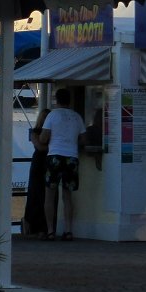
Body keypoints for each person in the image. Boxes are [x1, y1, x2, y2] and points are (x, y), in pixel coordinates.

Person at [41, 87, 86, 241]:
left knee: (49, 195)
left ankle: (50, 230)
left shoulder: (52, 115)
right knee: (67, 196)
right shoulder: (77, 117)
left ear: (56, 100)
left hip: (54, 156)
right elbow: (83, 139)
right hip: (72, 158)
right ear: (70, 100)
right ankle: (68, 230)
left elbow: (44, 138)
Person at [22, 107, 50, 237]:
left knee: (42, 194)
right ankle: (34, 225)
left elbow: (40, 146)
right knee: (36, 193)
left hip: (43, 162)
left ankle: (39, 226)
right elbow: (39, 146)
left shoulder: (37, 132)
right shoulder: (35, 131)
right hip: (40, 163)